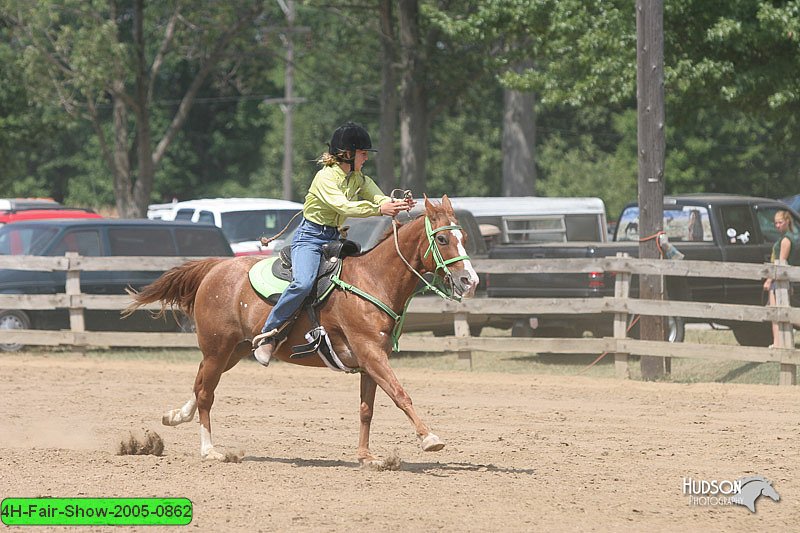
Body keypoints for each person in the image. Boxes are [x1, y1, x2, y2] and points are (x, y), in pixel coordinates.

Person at [252, 121, 414, 365]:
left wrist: (395, 205)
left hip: (334, 238)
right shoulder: (325, 178)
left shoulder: (358, 178)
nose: (366, 158)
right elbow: (344, 206)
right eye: (362, 154)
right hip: (309, 238)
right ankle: (268, 335)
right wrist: (380, 208)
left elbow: (377, 196)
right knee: (302, 283)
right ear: (347, 154)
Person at [763, 210, 800, 348]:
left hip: (779, 281)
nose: (777, 225)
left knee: (778, 313)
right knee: (776, 313)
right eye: (776, 223)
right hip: (777, 280)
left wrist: (769, 280)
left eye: (780, 222)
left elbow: (781, 263)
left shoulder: (786, 240)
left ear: (787, 221)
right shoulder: (785, 237)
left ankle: (778, 342)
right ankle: (777, 342)